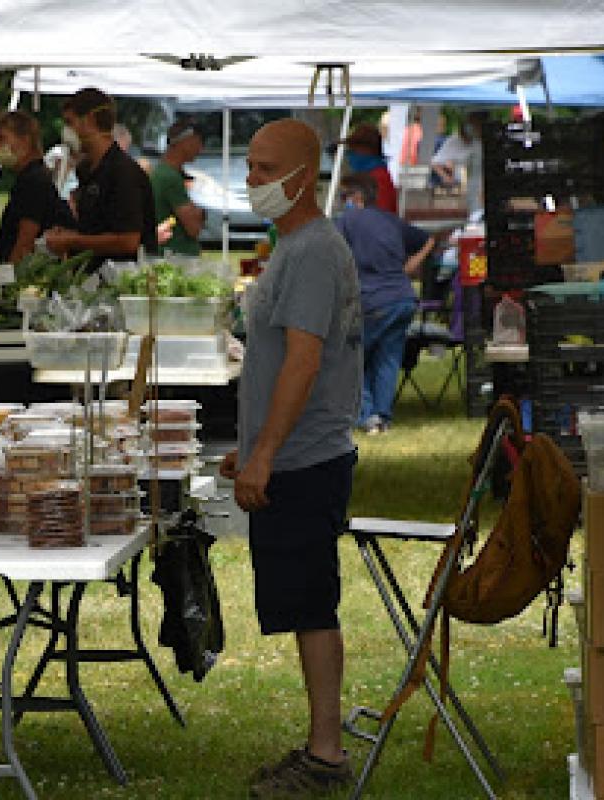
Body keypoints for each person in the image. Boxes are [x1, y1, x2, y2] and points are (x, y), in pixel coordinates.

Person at [220, 119, 361, 798]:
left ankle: (326, 757)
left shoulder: (310, 251)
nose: (252, 181)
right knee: (303, 603)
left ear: (303, 176)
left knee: (312, 606)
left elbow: (304, 363)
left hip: (304, 460)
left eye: (264, 168)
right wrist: (248, 451)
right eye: (249, 167)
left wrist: (266, 454)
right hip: (288, 456)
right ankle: (319, 747)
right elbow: (276, 360)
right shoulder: (292, 246)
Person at [336, 174, 435, 434]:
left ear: (355, 198)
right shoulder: (389, 220)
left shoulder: (347, 221)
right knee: (387, 359)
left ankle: (368, 416)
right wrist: (410, 267)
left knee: (351, 358)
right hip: (403, 298)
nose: (340, 203)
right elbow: (428, 239)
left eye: (342, 197)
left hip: (372, 300)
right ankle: (383, 416)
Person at [44, 87, 156, 269]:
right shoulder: (87, 170)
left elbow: (128, 241)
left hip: (121, 283)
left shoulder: (123, 172)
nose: (66, 131)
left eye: (69, 122)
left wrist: (73, 241)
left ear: (88, 120)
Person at [0, 110, 76, 264]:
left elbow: (25, 242)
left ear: (25, 140)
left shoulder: (33, 181)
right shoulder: (30, 177)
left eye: (2, 139)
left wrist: (8, 280)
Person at [150, 119, 206, 256]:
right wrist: (199, 214)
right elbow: (193, 228)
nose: (201, 149)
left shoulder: (163, 173)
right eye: (199, 142)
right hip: (176, 258)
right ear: (186, 142)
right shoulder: (170, 178)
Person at [431, 111, 488, 217]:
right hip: (474, 190)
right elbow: (436, 162)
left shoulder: (487, 139)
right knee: (476, 216)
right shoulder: (457, 140)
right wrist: (447, 178)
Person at [340, 122, 397, 214]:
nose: (351, 153)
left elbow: (380, 216)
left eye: (354, 149)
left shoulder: (379, 178)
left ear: (368, 149)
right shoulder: (367, 176)